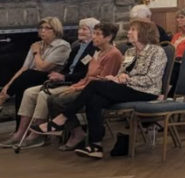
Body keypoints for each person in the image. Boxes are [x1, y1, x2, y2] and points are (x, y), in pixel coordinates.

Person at [31, 20, 167, 159]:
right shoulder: (130, 51)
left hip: (146, 92)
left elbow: (152, 79)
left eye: (132, 29)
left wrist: (127, 79)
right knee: (94, 100)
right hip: (126, 88)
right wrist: (117, 78)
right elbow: (121, 72)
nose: (128, 32)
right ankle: (96, 145)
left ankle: (61, 119)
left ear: (144, 33)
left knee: (95, 85)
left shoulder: (157, 51)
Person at [0, 18, 106, 149]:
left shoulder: (93, 50)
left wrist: (63, 76)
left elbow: (84, 74)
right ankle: (20, 132)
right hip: (64, 80)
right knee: (28, 91)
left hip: (75, 83)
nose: (80, 31)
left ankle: (36, 135)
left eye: (85, 29)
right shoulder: (77, 47)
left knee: (44, 94)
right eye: (80, 28)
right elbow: (67, 68)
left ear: (93, 33)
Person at [0, 17, 70, 115]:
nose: (42, 31)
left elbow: (42, 68)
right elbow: (24, 68)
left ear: (55, 30)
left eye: (47, 28)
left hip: (50, 77)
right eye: (41, 28)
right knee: (22, 88)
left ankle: (1, 100)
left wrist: (36, 52)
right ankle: (19, 128)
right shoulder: (37, 44)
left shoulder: (62, 46)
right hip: (30, 77)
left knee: (29, 74)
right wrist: (7, 86)